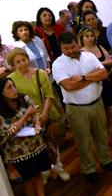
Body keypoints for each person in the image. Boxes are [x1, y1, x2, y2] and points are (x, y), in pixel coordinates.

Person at [52, 33, 112, 183]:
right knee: (83, 141)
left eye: (72, 47)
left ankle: (106, 160)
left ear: (77, 43)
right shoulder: (58, 64)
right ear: (61, 47)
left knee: (101, 135)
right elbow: (68, 86)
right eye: (66, 48)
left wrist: (82, 77)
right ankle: (89, 169)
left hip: (97, 103)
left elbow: (103, 74)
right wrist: (92, 77)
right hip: (77, 108)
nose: (70, 50)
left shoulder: (89, 56)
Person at [0, 77, 61, 196]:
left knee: (38, 175)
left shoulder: (24, 99)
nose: (14, 90)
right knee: (28, 180)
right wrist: (27, 114)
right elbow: (8, 132)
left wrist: (38, 123)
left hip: (35, 144)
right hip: (18, 152)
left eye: (13, 86)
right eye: (9, 88)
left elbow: (36, 115)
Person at [7, 49, 69, 182]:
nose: (22, 63)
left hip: (46, 114)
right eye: (18, 62)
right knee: (38, 148)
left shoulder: (40, 73)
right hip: (28, 120)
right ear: (12, 65)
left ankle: (59, 168)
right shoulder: (11, 79)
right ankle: (45, 173)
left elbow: (48, 95)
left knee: (53, 144)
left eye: (23, 60)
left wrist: (44, 114)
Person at [78, 27, 112, 143]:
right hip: (93, 83)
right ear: (82, 38)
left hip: (106, 82)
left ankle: (109, 131)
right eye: (87, 36)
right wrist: (101, 66)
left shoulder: (99, 47)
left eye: (92, 36)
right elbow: (86, 70)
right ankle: (103, 135)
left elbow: (111, 61)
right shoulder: (81, 52)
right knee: (99, 113)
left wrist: (98, 64)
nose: (90, 38)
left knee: (109, 111)